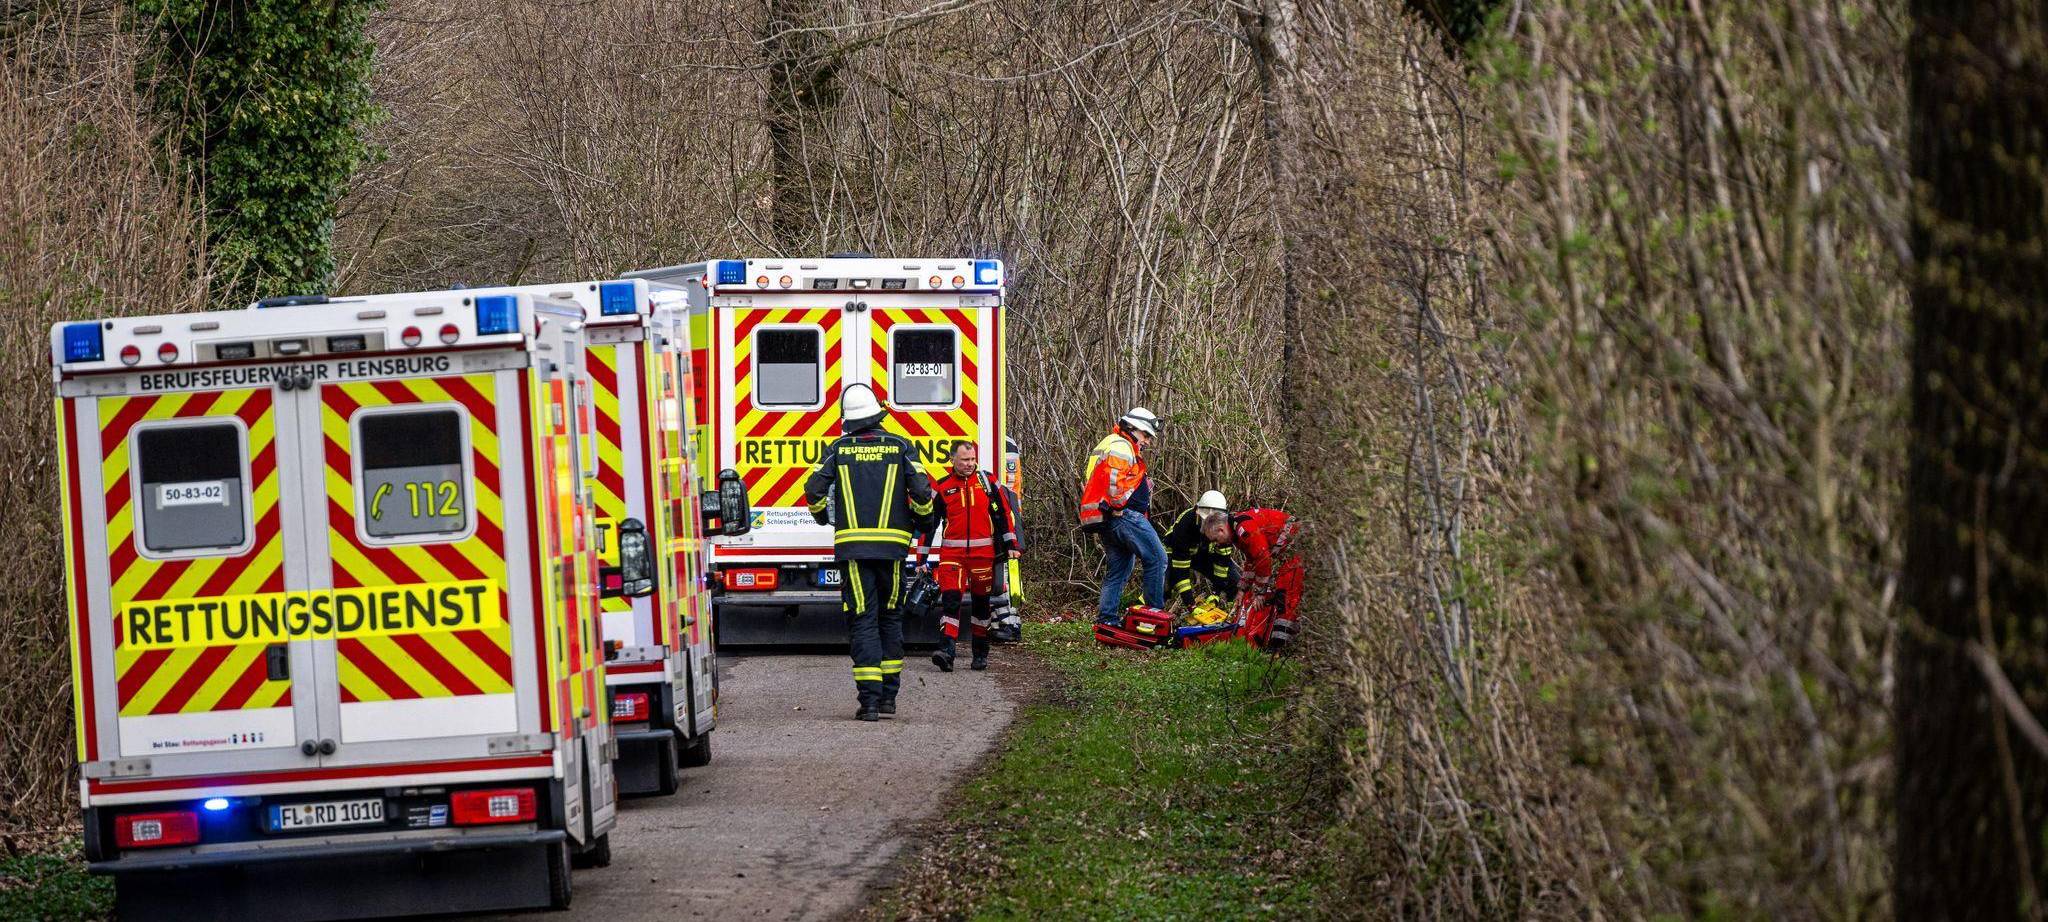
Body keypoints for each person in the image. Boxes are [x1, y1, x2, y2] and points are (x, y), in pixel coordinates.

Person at [804, 383, 935, 721]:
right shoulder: (901, 447)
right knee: (890, 618)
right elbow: (922, 495)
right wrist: (923, 523)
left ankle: (870, 703)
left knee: (863, 620)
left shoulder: (838, 449)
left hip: (853, 552)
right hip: (892, 552)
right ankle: (889, 698)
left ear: (847, 419)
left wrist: (822, 517)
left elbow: (814, 491)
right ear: (878, 413)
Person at [917, 441, 1022, 672]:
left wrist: (1011, 544)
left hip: (983, 556)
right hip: (952, 556)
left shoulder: (987, 482)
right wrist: (921, 559)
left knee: (981, 607)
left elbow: (1003, 514)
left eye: (972, 459)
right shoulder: (943, 487)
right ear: (953, 460)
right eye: (965, 460)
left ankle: (980, 653)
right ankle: (947, 651)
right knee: (951, 602)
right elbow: (929, 526)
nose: (970, 464)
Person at [1078, 407, 1166, 625]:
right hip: (1123, 516)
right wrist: (1118, 504)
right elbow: (1113, 483)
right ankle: (1153, 619)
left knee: (1118, 570)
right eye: (1146, 435)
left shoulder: (1110, 443)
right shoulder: (1122, 447)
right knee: (1157, 558)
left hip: (1109, 519)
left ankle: (1107, 618)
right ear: (1133, 429)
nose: (1147, 442)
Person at [1226, 506, 1303, 647]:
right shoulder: (1238, 528)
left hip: (1296, 546)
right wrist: (1242, 589)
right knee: (1284, 592)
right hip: (1291, 547)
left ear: (1220, 529)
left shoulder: (1243, 528)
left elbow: (1263, 558)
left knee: (1287, 594)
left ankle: (1280, 646)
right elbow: (1252, 560)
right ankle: (1276, 643)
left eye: (1215, 538)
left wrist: (1260, 592)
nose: (1216, 543)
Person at [1164, 490, 1240, 610]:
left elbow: (1222, 563)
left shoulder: (1225, 528)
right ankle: (1145, 612)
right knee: (1165, 583)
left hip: (1202, 554)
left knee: (1234, 581)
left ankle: (1233, 614)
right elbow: (1180, 569)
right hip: (1174, 553)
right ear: (1197, 513)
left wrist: (1216, 593)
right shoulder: (1185, 524)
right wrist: (1190, 604)